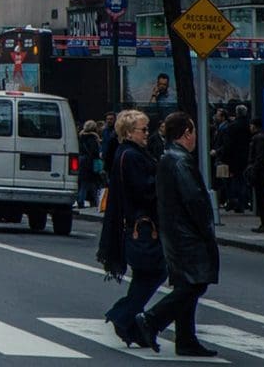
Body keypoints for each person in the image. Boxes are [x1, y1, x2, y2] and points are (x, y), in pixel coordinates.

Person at [132, 112, 219, 357]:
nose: (195, 138)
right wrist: (206, 230)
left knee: (186, 283)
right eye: (193, 132)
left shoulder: (168, 158)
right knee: (195, 284)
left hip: (174, 232)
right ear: (186, 133)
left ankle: (186, 339)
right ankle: (151, 320)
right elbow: (194, 200)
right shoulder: (180, 161)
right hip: (187, 235)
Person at [98, 110, 163, 348]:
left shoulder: (128, 153)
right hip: (141, 225)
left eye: (148, 129)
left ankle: (130, 326)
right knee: (156, 271)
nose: (147, 133)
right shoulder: (131, 156)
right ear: (128, 132)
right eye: (143, 130)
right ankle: (123, 315)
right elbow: (144, 190)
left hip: (138, 223)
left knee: (145, 275)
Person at [247, 118, 264, 232]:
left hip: (260, 172)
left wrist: (253, 169)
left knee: (261, 198)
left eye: (251, 126)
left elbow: (260, 157)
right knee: (261, 197)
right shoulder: (262, 138)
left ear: (254, 126)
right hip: (262, 170)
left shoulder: (259, 138)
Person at [77, 121, 102, 208]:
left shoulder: (80, 137)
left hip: (81, 161)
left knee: (84, 183)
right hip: (90, 162)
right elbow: (94, 152)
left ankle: (81, 200)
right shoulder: (92, 138)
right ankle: (96, 201)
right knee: (92, 183)